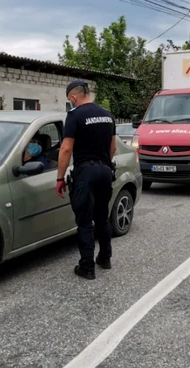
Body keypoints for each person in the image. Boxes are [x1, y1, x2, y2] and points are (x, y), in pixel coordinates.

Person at [55, 80, 116, 280]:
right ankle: (105, 258)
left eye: (69, 100)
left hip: (85, 172)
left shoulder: (75, 115)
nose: (70, 104)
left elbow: (65, 149)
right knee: (102, 217)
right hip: (105, 170)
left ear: (73, 97)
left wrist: (59, 177)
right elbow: (112, 147)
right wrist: (104, 163)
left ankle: (87, 266)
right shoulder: (107, 115)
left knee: (84, 221)